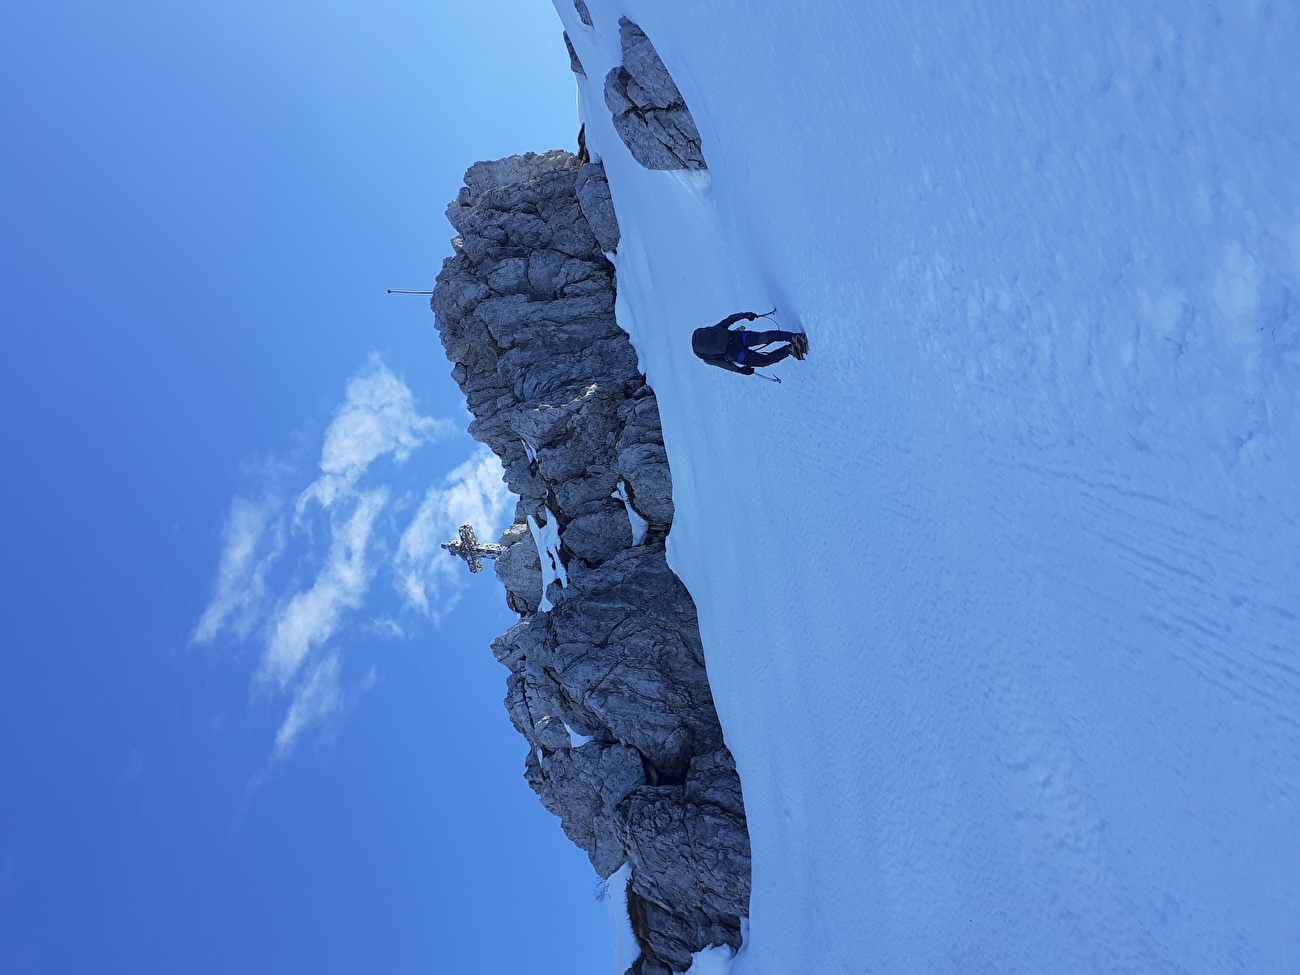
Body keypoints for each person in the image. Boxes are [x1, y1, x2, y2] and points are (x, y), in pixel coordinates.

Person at [691, 311, 808, 375]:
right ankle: (793, 337)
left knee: (763, 361)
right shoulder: (714, 330)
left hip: (735, 354)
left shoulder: (707, 358)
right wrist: (745, 315)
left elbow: (723, 364)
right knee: (763, 337)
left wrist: (740, 370)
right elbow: (729, 320)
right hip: (738, 337)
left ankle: (789, 350)